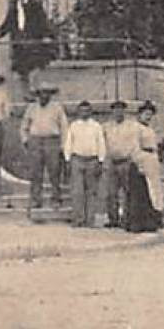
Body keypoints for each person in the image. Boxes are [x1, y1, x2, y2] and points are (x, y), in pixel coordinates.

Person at [20, 83, 67, 211]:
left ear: (50, 95)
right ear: (38, 95)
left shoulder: (57, 108)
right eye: (41, 93)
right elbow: (24, 125)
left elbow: (64, 127)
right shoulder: (32, 108)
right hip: (35, 141)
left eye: (46, 93)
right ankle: (36, 200)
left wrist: (63, 145)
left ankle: (56, 199)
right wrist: (25, 140)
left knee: (54, 172)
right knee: (36, 172)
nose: (44, 96)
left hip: (52, 141)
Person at [0, 0, 54, 76]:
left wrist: (46, 35)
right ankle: (23, 85)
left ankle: (33, 86)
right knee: (20, 67)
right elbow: (9, 21)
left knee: (34, 64)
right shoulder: (14, 5)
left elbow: (42, 20)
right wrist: (0, 32)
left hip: (32, 39)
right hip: (19, 40)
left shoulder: (35, 4)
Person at [123, 100, 164, 232]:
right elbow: (134, 147)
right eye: (146, 114)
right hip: (141, 161)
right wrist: (139, 164)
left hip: (151, 160)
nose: (148, 117)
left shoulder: (149, 129)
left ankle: (151, 222)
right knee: (140, 193)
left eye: (150, 115)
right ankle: (137, 223)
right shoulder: (135, 128)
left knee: (153, 192)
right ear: (139, 115)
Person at [63, 100, 106, 228]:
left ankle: (90, 220)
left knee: (91, 192)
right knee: (77, 191)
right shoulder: (74, 126)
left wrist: (100, 160)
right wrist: (68, 159)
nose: (84, 113)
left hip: (92, 160)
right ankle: (78, 219)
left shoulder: (97, 126)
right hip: (77, 160)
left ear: (91, 112)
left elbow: (101, 144)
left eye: (87, 110)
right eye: (82, 110)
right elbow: (68, 143)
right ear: (78, 112)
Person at [101, 100, 141, 228]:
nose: (118, 112)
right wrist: (104, 160)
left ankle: (127, 219)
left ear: (124, 111)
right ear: (112, 111)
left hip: (126, 162)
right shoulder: (106, 127)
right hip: (112, 162)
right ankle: (113, 219)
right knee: (111, 193)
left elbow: (135, 144)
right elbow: (102, 144)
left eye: (121, 109)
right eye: (115, 109)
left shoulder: (132, 126)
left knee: (128, 192)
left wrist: (133, 159)